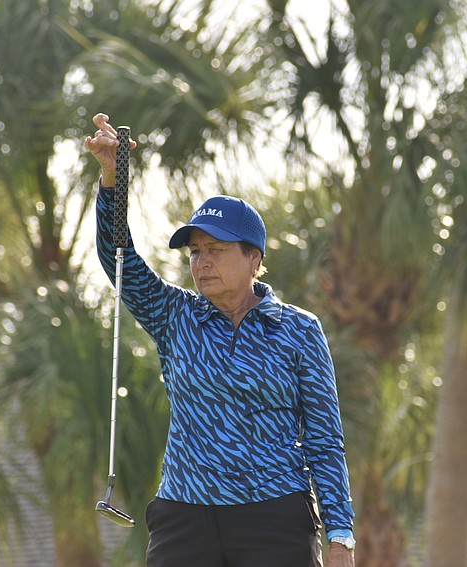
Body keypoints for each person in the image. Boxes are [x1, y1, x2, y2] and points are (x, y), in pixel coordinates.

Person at [86, 113, 356, 567]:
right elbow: (120, 261)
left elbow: (324, 439)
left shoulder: (299, 330)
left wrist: (341, 535)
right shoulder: (174, 315)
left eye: (216, 250)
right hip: (185, 517)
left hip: (275, 518)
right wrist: (113, 179)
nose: (202, 263)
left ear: (255, 259)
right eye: (195, 252)